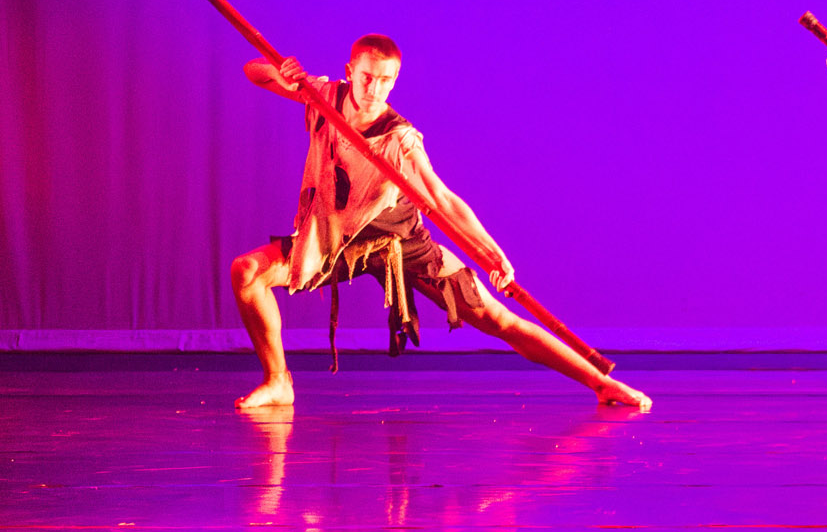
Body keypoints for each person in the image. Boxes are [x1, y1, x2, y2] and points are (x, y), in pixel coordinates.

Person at [227, 34, 650, 412]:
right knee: (247, 272)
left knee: (498, 320)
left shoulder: (400, 138)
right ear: (349, 72)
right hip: (333, 241)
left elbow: (442, 197)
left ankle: (601, 383)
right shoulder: (322, 95)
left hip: (399, 243)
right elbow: (253, 71)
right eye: (366, 77)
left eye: (386, 80)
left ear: (396, 80)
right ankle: (279, 381)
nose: (374, 89)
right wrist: (285, 74)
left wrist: (491, 252)